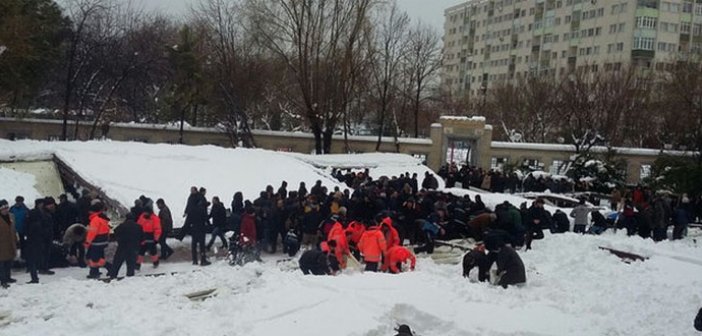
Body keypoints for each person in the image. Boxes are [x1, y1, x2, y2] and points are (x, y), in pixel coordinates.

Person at [110, 213, 143, 278]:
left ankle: (113, 275)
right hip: (134, 247)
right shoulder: (138, 226)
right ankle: (130, 276)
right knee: (131, 264)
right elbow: (142, 237)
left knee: (117, 262)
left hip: (122, 246)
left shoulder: (122, 226)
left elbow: (115, 233)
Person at [84, 202, 111, 279]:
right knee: (94, 257)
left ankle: (110, 267)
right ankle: (94, 272)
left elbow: (92, 232)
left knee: (95, 258)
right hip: (103, 240)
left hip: (96, 242)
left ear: (93, 211)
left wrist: (87, 242)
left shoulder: (95, 220)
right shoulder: (102, 218)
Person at [24, 198, 46, 283]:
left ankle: (34, 277)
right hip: (36, 241)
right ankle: (35, 276)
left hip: (34, 241)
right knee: (34, 259)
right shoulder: (37, 218)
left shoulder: (33, 220)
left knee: (32, 259)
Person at [0, 200, 18, 288]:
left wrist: (15, 239)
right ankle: (2, 280)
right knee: (1, 264)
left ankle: (8, 277)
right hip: (1, 244)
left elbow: (14, 229)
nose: (5, 210)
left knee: (9, 261)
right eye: (3, 208)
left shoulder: (11, 216)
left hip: (10, 242)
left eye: (6, 208)